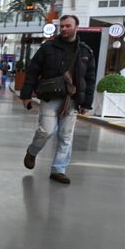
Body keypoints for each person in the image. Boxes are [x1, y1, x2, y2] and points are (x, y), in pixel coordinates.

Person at [21, 14, 96, 184]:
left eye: (68, 26)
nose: (64, 29)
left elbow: (89, 79)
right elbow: (32, 71)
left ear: (76, 27)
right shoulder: (48, 47)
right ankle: (32, 151)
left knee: (66, 136)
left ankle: (58, 169)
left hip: (73, 99)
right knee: (46, 130)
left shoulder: (85, 51)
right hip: (50, 97)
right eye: (61, 26)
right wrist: (26, 95)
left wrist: (86, 103)